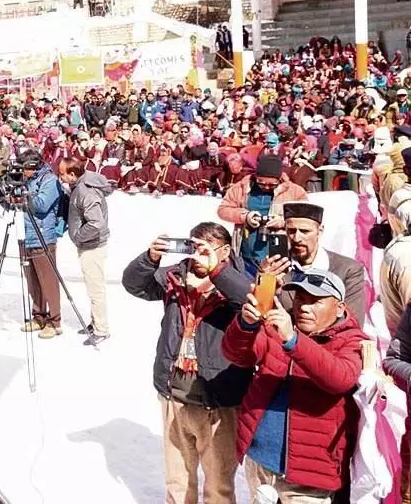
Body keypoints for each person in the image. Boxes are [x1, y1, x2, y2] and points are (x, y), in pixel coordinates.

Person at [122, 223, 252, 504]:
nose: (199, 256)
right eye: (195, 248)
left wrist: (217, 271)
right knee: (178, 481)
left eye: (207, 249)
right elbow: (133, 284)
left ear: (226, 251)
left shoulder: (237, 280)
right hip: (176, 393)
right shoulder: (175, 276)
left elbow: (250, 301)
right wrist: (149, 258)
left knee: (219, 484)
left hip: (219, 398)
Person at [222, 270, 365, 504]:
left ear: (339, 308)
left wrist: (294, 341)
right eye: (300, 299)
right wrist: (245, 325)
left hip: (310, 472)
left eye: (315, 301)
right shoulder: (278, 326)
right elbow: (237, 355)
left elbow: (340, 379)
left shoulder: (352, 340)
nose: (304, 308)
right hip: (261, 460)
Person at [259, 201, 367, 325]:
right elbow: (259, 315)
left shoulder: (347, 270)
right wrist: (265, 286)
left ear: (319, 231)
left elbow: (352, 323)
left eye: (305, 231)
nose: (297, 238)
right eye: (292, 231)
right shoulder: (274, 268)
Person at [217, 154, 307, 278]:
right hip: (246, 255)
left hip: (279, 257)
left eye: (272, 185)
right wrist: (245, 216)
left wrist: (283, 221)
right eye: (261, 183)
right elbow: (223, 210)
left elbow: (305, 217)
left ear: (280, 178)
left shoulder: (295, 192)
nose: (266, 187)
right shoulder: (241, 188)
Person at [58, 157, 113, 346]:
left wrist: (79, 236)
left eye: (63, 173)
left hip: (92, 245)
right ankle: (95, 322)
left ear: (73, 174)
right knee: (92, 286)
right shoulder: (80, 184)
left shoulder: (85, 192)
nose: (61, 176)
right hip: (89, 243)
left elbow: (96, 223)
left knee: (95, 288)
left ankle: (101, 329)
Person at [21, 149, 66, 339]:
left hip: (43, 236)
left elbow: (40, 205)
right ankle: (38, 316)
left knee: (48, 281)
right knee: (33, 281)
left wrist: (24, 193)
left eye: (25, 169)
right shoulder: (26, 181)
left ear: (34, 166)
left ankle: (54, 321)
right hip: (26, 234)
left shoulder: (50, 181)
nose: (23, 172)